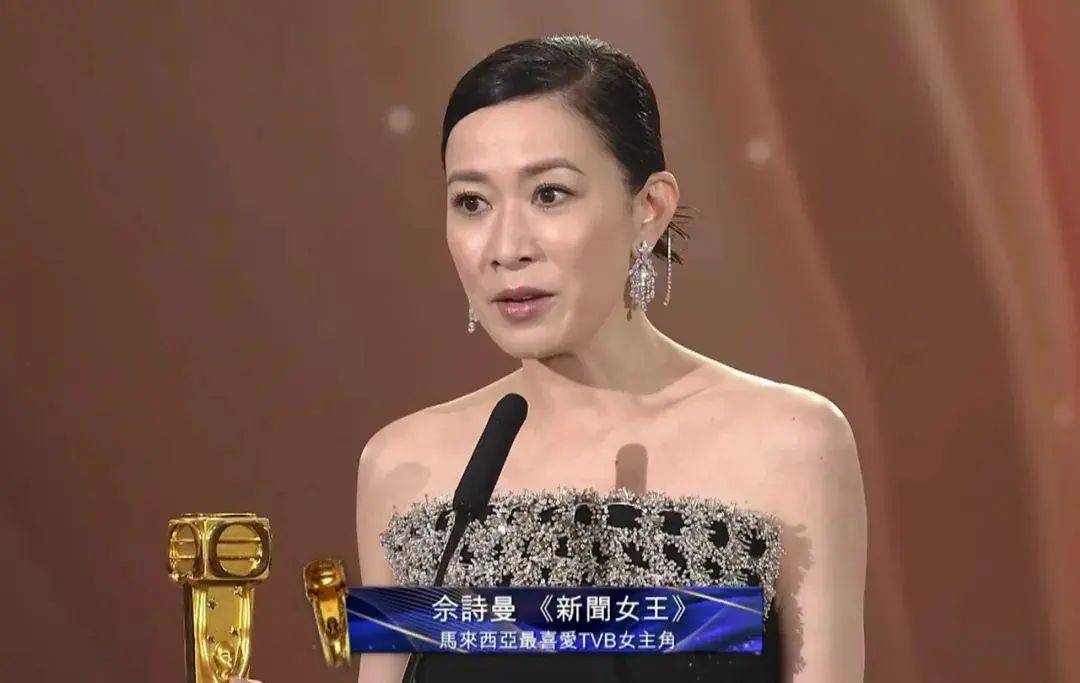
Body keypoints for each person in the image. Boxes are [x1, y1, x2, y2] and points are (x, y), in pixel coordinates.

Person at [353, 34, 867, 683]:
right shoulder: (405, 465)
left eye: (549, 194)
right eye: (472, 203)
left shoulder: (790, 443)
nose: (505, 247)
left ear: (648, 208)